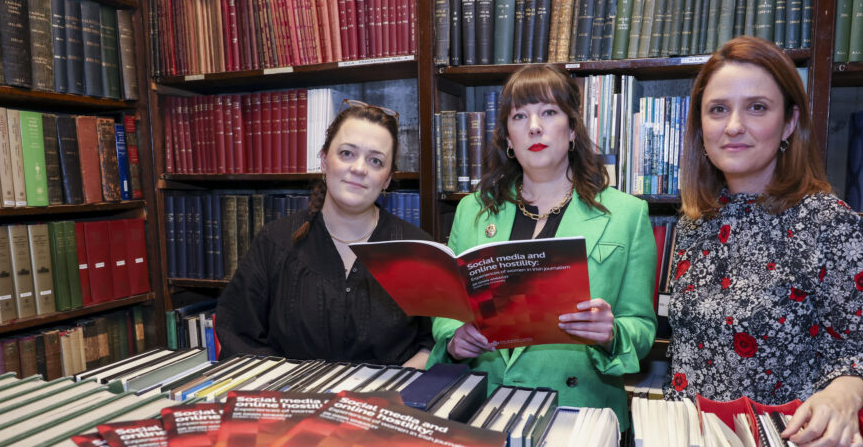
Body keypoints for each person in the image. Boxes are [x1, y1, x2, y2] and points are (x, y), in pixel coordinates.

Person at [664, 36, 863, 447]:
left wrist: (841, 396)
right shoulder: (695, 221)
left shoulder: (831, 224)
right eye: (718, 109)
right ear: (701, 127)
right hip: (687, 446)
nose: (734, 125)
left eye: (757, 107)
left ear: (790, 122)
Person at [427, 64, 658, 427]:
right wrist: (454, 340)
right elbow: (447, 310)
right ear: (507, 138)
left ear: (571, 130)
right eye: (520, 116)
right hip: (483, 407)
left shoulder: (627, 214)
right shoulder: (472, 209)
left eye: (549, 112)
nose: (534, 126)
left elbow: (642, 327)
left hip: (578, 411)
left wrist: (613, 334)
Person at [215, 100, 433, 367]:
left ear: (387, 179)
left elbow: (434, 340)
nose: (359, 168)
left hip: (387, 402)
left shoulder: (418, 251)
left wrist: (391, 390)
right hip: (291, 401)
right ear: (323, 160)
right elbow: (239, 335)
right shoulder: (274, 242)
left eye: (376, 160)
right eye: (347, 153)